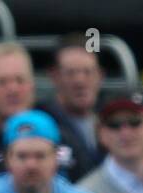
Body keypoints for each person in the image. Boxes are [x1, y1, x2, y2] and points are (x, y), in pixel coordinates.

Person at [0, 42, 90, 193]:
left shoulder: (65, 137)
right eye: (2, 82)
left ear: (32, 85)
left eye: (20, 80)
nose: (13, 89)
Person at [36, 34, 103, 175]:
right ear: (54, 76)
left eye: (87, 72)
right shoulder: (39, 124)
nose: (80, 81)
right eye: (71, 73)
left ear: (100, 76)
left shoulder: (114, 122)